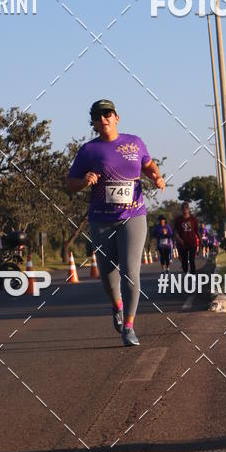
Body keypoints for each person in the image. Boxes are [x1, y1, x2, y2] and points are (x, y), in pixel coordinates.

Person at [67, 99, 165, 346]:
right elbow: (70, 183)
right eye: (98, 117)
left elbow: (148, 165)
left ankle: (129, 327)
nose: (103, 119)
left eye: (107, 114)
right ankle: (117, 305)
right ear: (93, 123)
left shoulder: (135, 142)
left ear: (117, 117)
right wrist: (84, 180)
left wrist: (156, 176)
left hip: (133, 216)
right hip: (101, 220)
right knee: (108, 278)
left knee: (130, 272)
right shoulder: (89, 151)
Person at [174, 202, 199, 275]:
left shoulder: (193, 219)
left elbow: (196, 231)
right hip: (182, 244)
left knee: (191, 260)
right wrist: (179, 239)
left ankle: (193, 273)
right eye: (183, 208)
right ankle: (186, 272)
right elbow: (175, 231)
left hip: (192, 242)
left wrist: (200, 241)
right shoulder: (178, 220)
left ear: (189, 209)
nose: (185, 209)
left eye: (186, 208)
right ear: (181, 209)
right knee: (184, 260)